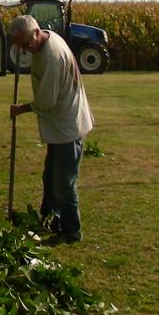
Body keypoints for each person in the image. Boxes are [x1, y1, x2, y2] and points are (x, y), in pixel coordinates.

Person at [8, 14, 94, 244]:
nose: (25, 49)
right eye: (20, 46)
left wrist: (21, 108)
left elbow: (46, 102)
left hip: (69, 126)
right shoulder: (45, 40)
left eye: (26, 44)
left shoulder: (51, 56)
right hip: (60, 125)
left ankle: (71, 231)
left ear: (36, 32)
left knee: (63, 182)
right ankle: (51, 217)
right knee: (50, 175)